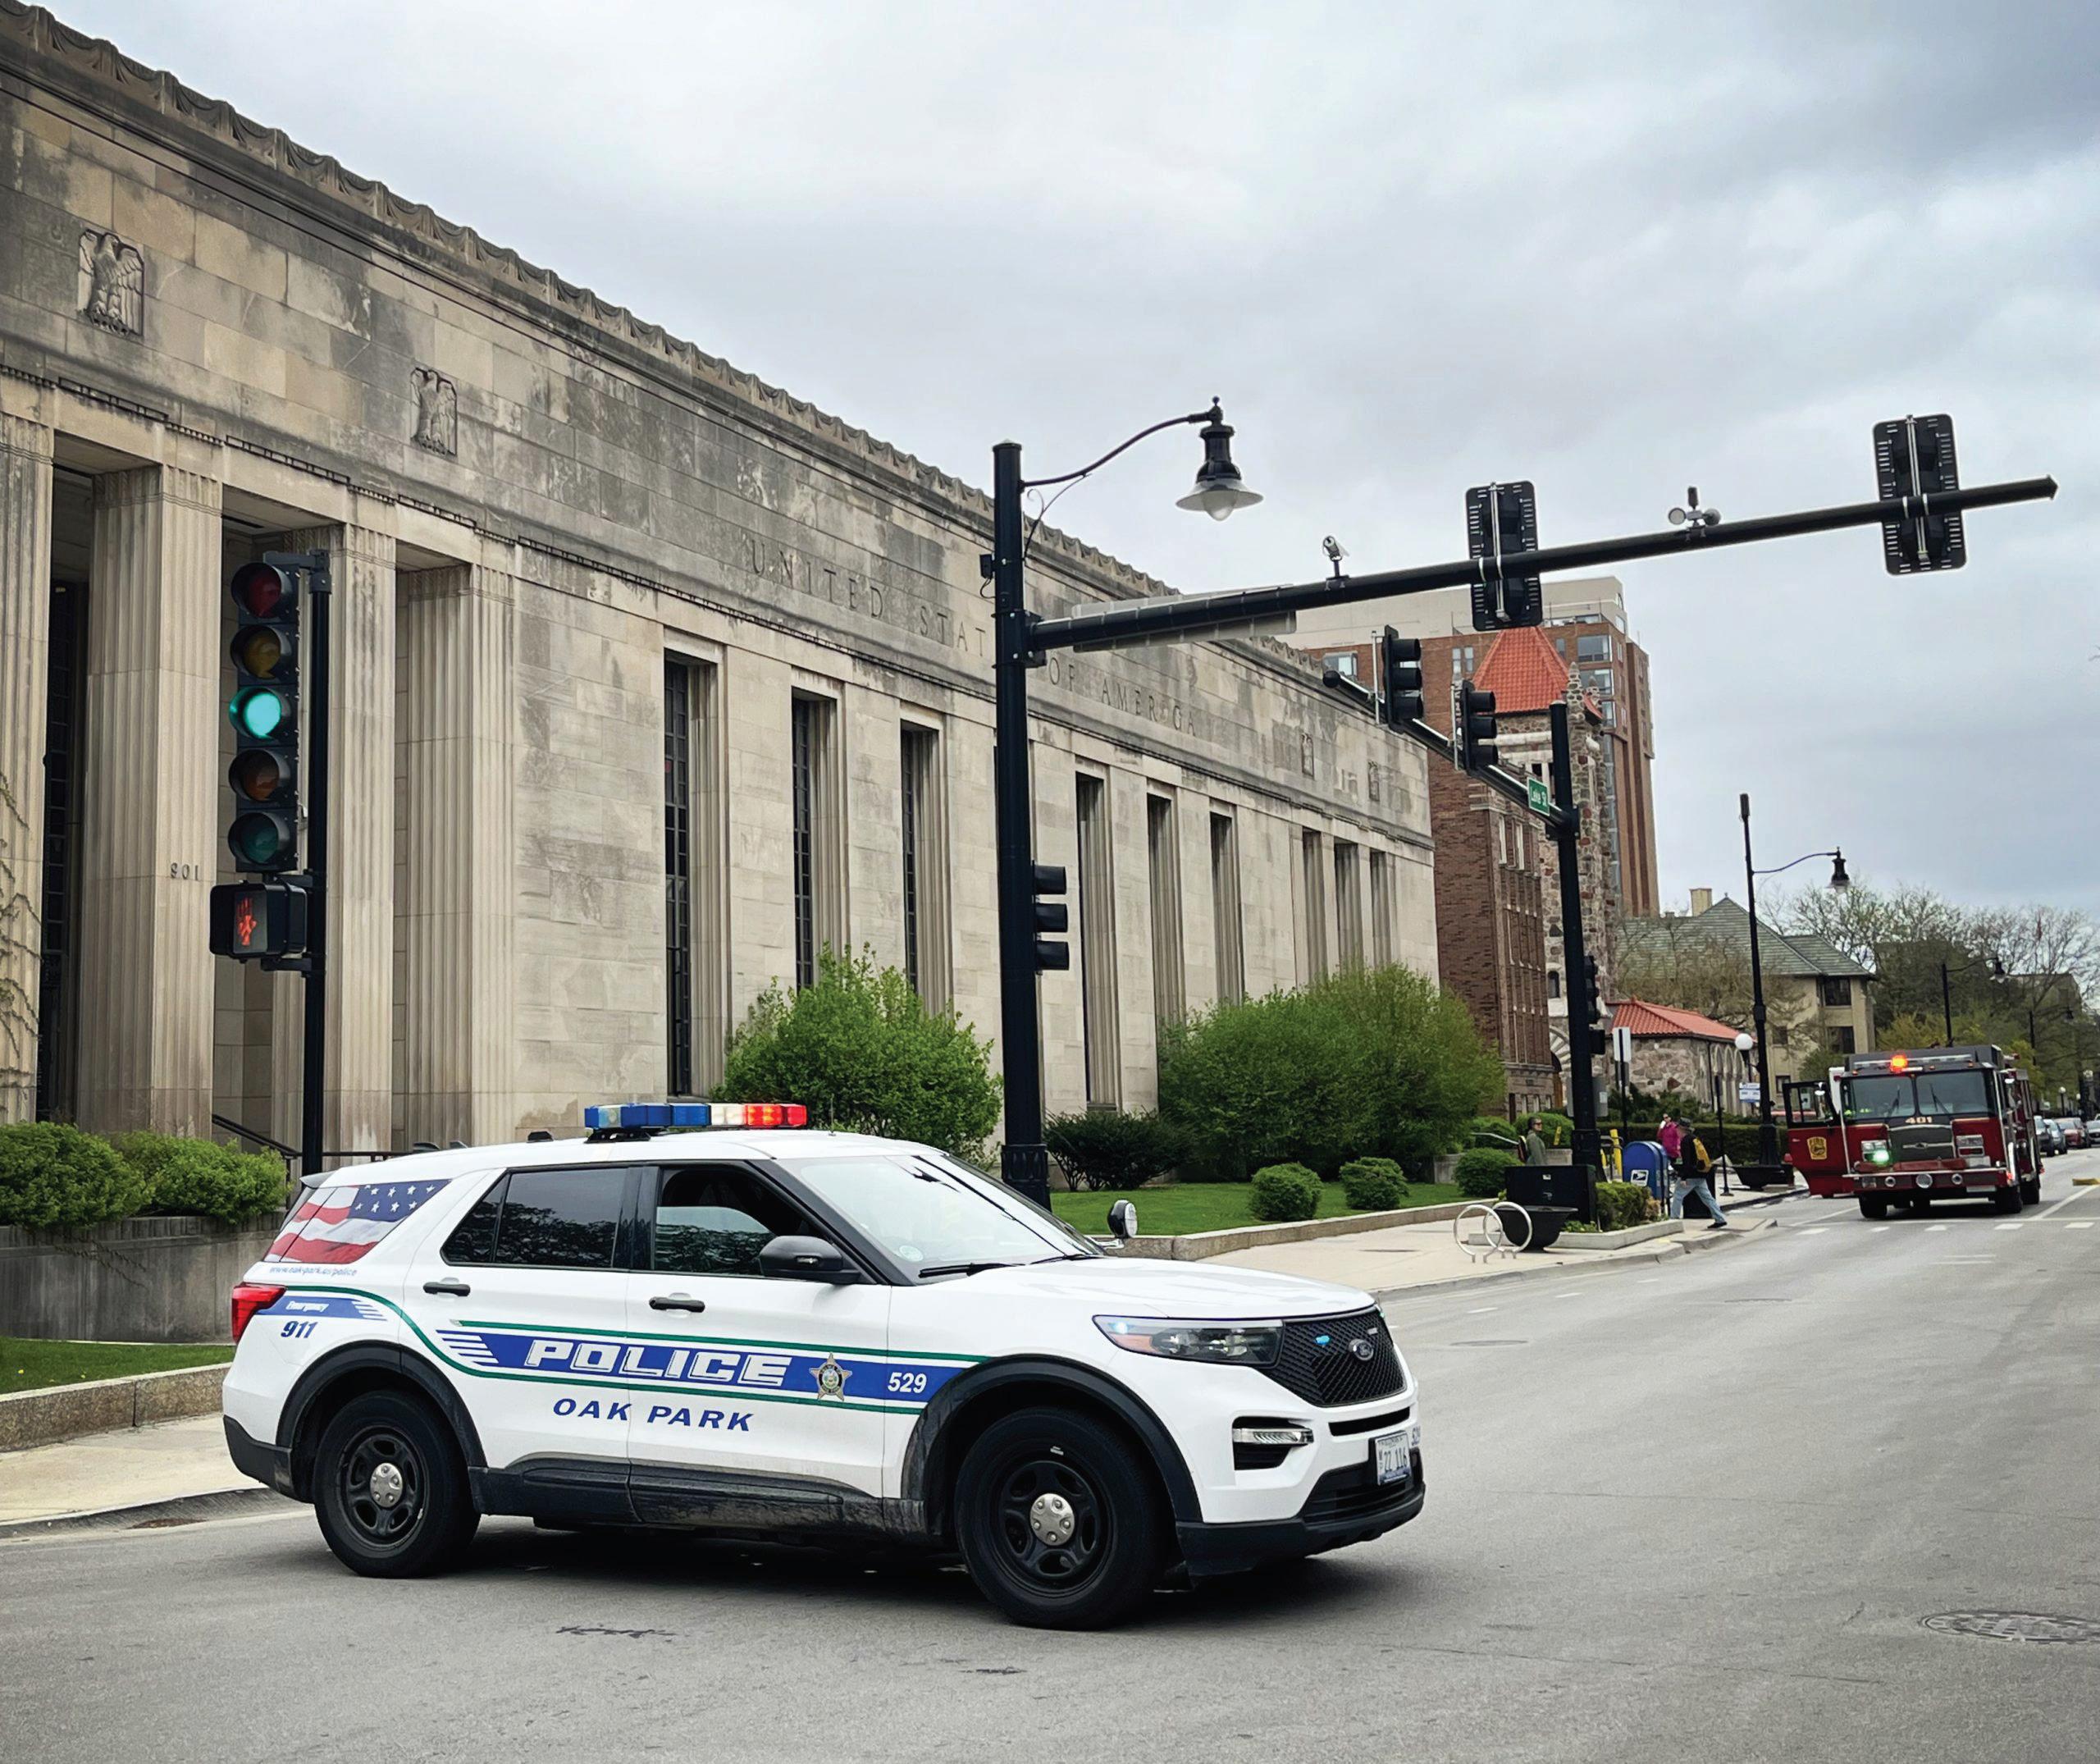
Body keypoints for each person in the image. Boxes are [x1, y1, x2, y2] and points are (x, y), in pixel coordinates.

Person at [1676, 1130, 1729, 1228]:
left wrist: (1683, 1177)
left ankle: (1673, 1220)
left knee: (1678, 1196)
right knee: (1708, 1198)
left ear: (1681, 1130)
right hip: (1700, 1173)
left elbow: (1687, 1161)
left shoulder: (1685, 1141)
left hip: (1690, 1176)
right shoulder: (1695, 1139)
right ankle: (1720, 1219)